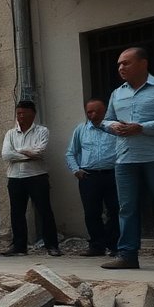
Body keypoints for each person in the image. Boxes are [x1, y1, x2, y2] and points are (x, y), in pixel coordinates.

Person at [102, 46, 154, 272]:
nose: (120, 67)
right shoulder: (117, 93)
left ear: (143, 63)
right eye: (119, 64)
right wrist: (114, 126)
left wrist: (142, 128)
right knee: (126, 208)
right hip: (125, 159)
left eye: (126, 63)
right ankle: (127, 255)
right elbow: (106, 120)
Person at [1, 100, 60, 257]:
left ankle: (52, 245)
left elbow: (40, 152)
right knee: (17, 212)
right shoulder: (10, 134)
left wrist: (18, 152)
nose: (20, 116)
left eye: (23, 113)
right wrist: (27, 153)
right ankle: (19, 246)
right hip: (15, 177)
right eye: (18, 113)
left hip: (37, 176)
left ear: (32, 113)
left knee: (44, 210)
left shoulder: (42, 131)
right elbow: (6, 155)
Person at [65, 98, 119, 257]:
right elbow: (70, 153)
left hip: (113, 174)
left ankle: (114, 245)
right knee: (91, 212)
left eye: (96, 111)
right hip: (89, 177)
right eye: (89, 111)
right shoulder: (81, 130)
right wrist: (76, 170)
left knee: (115, 210)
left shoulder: (113, 128)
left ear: (105, 111)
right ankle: (97, 245)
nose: (93, 114)